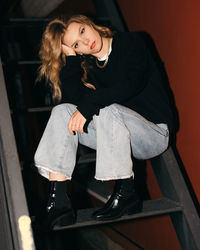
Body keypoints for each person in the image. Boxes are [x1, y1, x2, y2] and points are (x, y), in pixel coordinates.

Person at [34, 14, 174, 230]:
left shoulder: (131, 42)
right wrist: (71, 58)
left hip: (153, 132)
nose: (85, 40)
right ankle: (59, 201)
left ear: (88, 23)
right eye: (77, 44)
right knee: (63, 112)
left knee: (107, 108)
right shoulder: (90, 70)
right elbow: (73, 106)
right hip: (119, 135)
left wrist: (92, 103)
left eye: (82, 31)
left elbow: (131, 84)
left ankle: (126, 190)